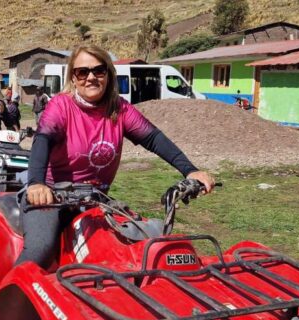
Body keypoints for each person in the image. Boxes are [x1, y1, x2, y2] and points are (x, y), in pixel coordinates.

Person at [16, 44, 215, 270]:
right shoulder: (61, 105)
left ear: (108, 74)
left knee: (139, 243)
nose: (91, 77)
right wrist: (36, 184)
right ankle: (7, 299)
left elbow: (154, 139)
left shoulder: (118, 109)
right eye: (83, 72)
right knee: (40, 250)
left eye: (98, 70)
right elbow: (42, 139)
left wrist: (190, 170)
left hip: (94, 199)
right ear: (73, 77)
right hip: (51, 196)